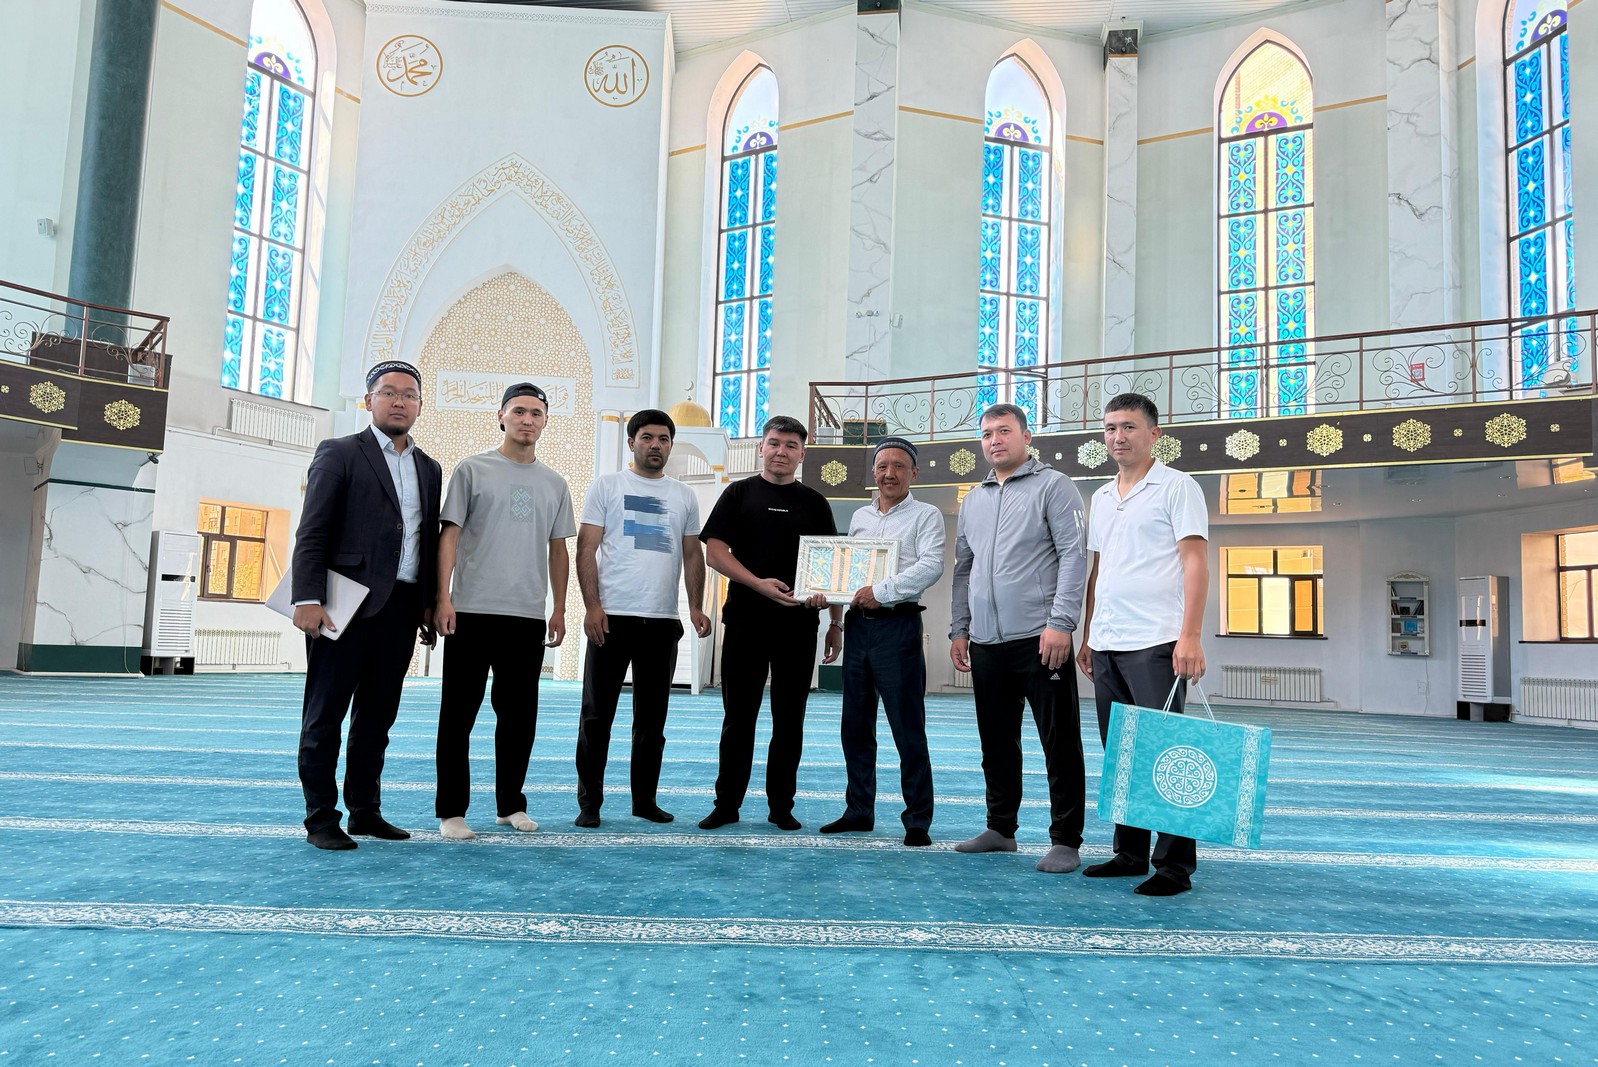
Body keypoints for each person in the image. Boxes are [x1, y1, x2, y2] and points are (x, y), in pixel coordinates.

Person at [292, 361, 442, 851]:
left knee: (377, 719)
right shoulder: (339, 452)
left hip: (401, 608)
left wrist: (427, 605)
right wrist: (307, 598)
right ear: (369, 400)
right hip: (343, 604)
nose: (400, 401)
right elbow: (313, 530)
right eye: (389, 392)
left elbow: (425, 541)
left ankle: (365, 811)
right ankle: (321, 819)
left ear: (420, 405)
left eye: (409, 395)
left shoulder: (429, 468)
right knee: (325, 716)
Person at [1076, 393, 1210, 896]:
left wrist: (1190, 635)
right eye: (1111, 428)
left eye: (1129, 427)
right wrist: (1089, 633)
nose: (1118, 436)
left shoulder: (1177, 487)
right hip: (1107, 642)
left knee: (1166, 754)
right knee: (1122, 754)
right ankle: (1129, 853)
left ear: (1154, 434)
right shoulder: (1101, 496)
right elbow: (1100, 570)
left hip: (1157, 642)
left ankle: (1174, 866)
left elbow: (1195, 562)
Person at [949, 403, 1089, 873]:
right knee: (995, 742)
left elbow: (1074, 556)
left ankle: (1066, 839)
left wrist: (1062, 623)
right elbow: (963, 569)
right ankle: (1000, 829)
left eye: (1004, 431)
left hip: (1040, 638)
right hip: (986, 641)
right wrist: (960, 628)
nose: (994, 440)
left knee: (1059, 742)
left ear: (1026, 437)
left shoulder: (1054, 486)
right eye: (987, 433)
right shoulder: (973, 499)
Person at [433, 383, 576, 841]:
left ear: (546, 422)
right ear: (501, 416)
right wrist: (443, 597)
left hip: (526, 616)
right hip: (471, 611)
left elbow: (558, 549)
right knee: (458, 715)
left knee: (518, 717)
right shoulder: (472, 470)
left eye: (536, 413)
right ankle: (451, 811)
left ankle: (510, 804)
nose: (527, 419)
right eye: (519, 411)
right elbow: (449, 536)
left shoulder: (555, 483)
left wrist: (559, 608)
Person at [697, 415, 842, 832]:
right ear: (761, 447)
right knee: (738, 719)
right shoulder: (738, 493)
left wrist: (835, 621)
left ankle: (782, 806)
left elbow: (831, 567)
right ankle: (727, 804)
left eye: (791, 445)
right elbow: (715, 554)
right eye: (775, 443)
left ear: (802, 453)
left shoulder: (815, 502)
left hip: (798, 626)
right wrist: (758, 584)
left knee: (789, 720)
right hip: (746, 622)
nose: (782, 451)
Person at [574, 409, 712, 827]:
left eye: (664, 439)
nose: (656, 445)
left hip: (661, 621)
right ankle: (589, 804)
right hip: (612, 618)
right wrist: (592, 606)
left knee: (652, 721)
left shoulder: (684, 495)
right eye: (648, 437)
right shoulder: (607, 486)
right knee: (597, 717)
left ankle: (645, 801)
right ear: (632, 442)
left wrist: (694, 606)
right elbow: (586, 548)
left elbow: (693, 553)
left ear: (671, 445)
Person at [819, 436, 945, 847]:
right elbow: (846, 574)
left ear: (914, 473)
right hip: (859, 627)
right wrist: (833, 611)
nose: (889, 473)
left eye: (898, 466)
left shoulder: (926, 515)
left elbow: (932, 565)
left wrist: (882, 591)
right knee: (855, 726)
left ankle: (917, 820)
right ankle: (859, 811)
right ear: (873, 472)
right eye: (882, 466)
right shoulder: (860, 517)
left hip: (898, 626)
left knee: (908, 728)